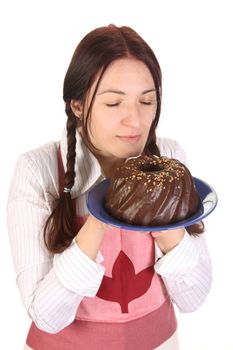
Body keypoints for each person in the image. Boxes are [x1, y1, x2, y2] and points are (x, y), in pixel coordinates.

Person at [7, 24, 212, 350]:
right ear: (77, 105)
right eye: (114, 104)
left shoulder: (170, 158)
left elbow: (193, 298)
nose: (135, 121)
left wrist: (162, 212)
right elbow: (47, 317)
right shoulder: (39, 170)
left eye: (147, 101)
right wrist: (104, 209)